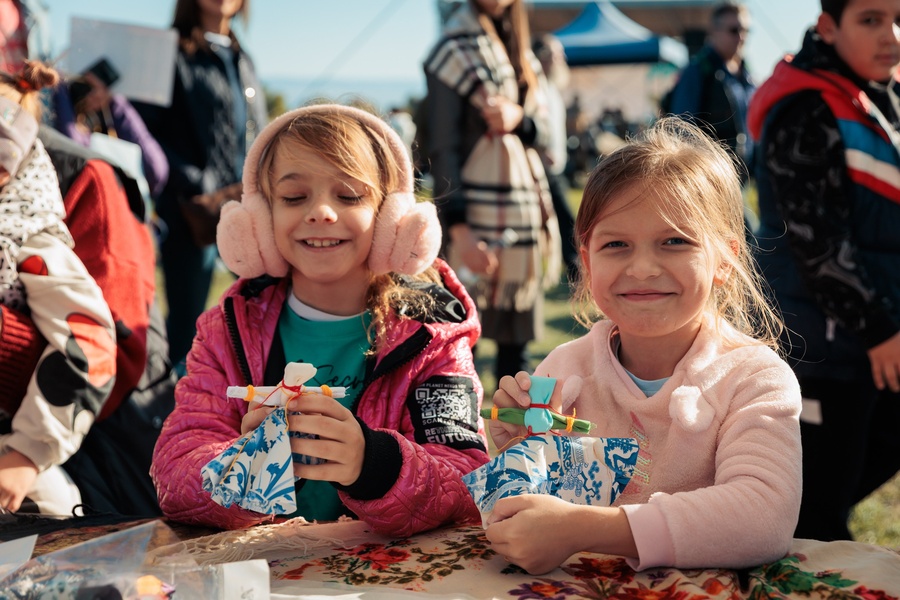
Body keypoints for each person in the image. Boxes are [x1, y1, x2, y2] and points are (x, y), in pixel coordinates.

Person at [150, 104, 490, 535]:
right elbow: (175, 471)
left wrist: (372, 464)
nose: (321, 212)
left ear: (393, 221)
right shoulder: (225, 331)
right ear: (259, 220)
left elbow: (466, 477)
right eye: (294, 198)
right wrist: (246, 469)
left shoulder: (433, 336)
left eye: (348, 196)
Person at [483, 117, 802, 574]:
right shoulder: (563, 369)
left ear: (724, 260)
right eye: (617, 244)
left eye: (674, 241)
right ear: (587, 261)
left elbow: (762, 517)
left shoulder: (753, 378)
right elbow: (529, 517)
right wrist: (520, 451)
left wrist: (581, 528)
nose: (643, 268)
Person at [747, 0, 900, 542]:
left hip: (874, 334)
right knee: (815, 512)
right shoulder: (806, 107)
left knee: (832, 493)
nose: (891, 36)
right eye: (871, 20)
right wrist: (878, 329)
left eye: (899, 20)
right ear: (828, 27)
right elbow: (814, 239)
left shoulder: (878, 97)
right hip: (819, 344)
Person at [0, 61, 117, 515]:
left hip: (12, 455)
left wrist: (27, 454)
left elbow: (90, 344)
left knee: (50, 520)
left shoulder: (27, 238)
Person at [424, 0, 560, 382]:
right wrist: (460, 230)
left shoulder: (521, 50)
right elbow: (443, 147)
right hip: (471, 212)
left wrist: (519, 119)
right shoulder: (453, 49)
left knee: (516, 352)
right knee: (458, 345)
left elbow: (546, 133)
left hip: (521, 211)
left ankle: (515, 423)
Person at [134, 0, 267, 374]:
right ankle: (171, 400)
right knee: (187, 322)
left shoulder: (242, 57)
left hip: (245, 205)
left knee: (261, 308)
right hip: (191, 209)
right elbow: (145, 132)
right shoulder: (169, 51)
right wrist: (194, 182)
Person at [668, 2, 755, 184]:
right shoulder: (697, 72)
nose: (741, 37)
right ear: (714, 32)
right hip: (710, 179)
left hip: (741, 177)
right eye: (734, 30)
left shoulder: (747, 77)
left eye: (746, 31)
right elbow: (682, 129)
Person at [533, 33, 578, 282]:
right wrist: (541, 151)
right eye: (555, 54)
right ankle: (574, 270)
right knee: (563, 218)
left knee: (561, 219)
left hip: (555, 166)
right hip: (540, 168)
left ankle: (571, 268)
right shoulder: (534, 86)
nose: (562, 59)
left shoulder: (552, 88)